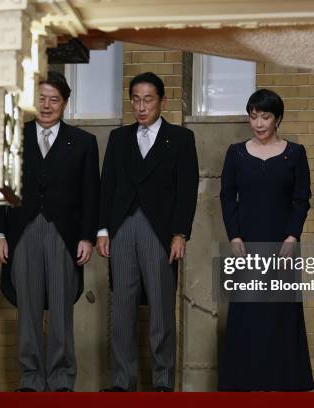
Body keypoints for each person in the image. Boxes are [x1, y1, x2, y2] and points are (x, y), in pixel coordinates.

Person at [0, 74, 100, 392]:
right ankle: (31, 378)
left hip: (64, 235)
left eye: (54, 99)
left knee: (62, 309)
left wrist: (87, 236)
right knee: (29, 309)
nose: (46, 105)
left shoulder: (83, 143)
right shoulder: (12, 138)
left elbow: (92, 193)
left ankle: (62, 378)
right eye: (41, 98)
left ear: (64, 103)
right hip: (21, 232)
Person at [97, 72, 199, 392]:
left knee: (161, 310)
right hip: (123, 228)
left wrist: (180, 233)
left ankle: (162, 382)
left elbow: (187, 190)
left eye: (148, 99)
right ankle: (122, 382)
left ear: (162, 102)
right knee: (122, 310)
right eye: (136, 100)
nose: (141, 107)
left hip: (161, 231)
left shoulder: (181, 139)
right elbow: (107, 187)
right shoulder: (119, 138)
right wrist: (102, 230)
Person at [218, 88, 314, 391]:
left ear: (278, 119)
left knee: (280, 316)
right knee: (248, 315)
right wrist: (234, 236)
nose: (259, 123)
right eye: (254, 116)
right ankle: (246, 383)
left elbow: (302, 199)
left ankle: (283, 383)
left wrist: (291, 237)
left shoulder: (295, 153)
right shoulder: (235, 153)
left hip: (282, 243)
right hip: (246, 245)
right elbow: (226, 198)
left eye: (265, 116)